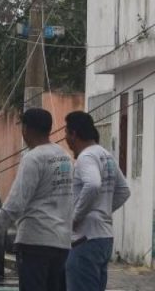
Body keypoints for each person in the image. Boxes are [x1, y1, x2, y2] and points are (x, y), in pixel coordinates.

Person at [0, 108, 73, 291]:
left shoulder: (33, 158)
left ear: (26, 129)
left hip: (35, 243)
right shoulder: (64, 157)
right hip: (61, 243)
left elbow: (16, 203)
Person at [64, 111, 130, 291]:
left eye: (66, 133)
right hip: (104, 239)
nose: (66, 139)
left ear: (74, 134)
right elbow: (124, 191)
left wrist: (75, 218)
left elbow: (93, 184)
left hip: (85, 239)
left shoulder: (86, 157)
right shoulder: (105, 155)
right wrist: (103, 210)